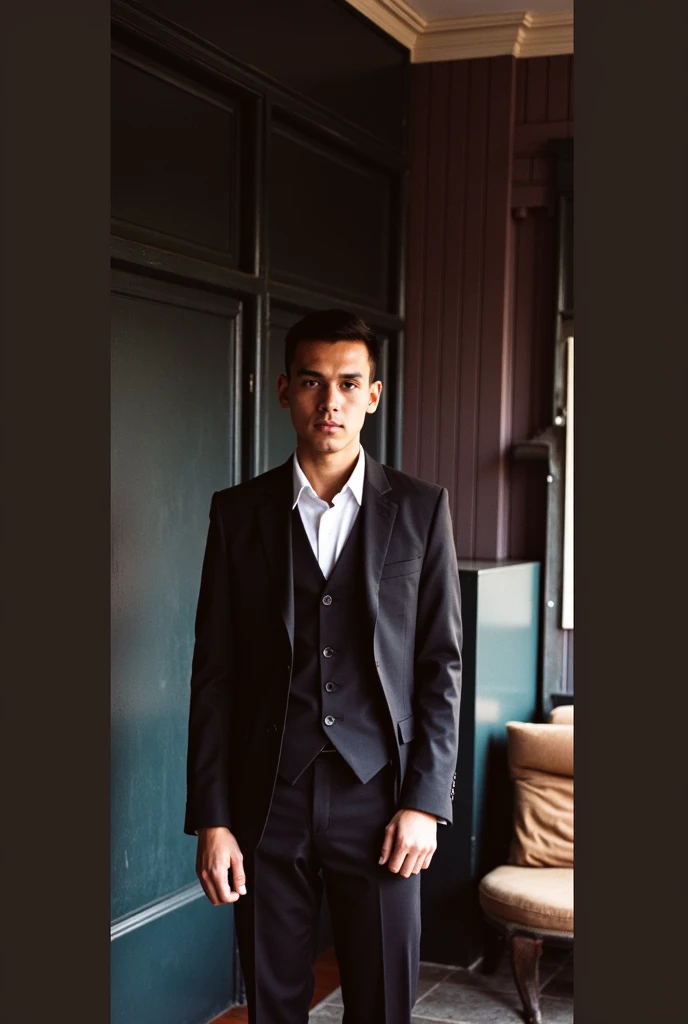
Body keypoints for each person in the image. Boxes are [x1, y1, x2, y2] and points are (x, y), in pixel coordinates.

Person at [184, 309, 462, 1024]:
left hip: (384, 800)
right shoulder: (237, 514)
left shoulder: (423, 511)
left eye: (346, 383)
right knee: (273, 1007)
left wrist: (425, 801)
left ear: (373, 395)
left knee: (382, 1006)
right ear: (284, 391)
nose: (328, 401)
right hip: (268, 802)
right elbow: (214, 676)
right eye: (312, 382)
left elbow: (441, 665)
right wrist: (213, 819)